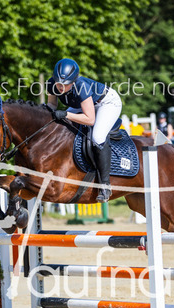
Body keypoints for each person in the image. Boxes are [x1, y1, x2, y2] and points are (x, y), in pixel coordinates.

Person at [46, 58, 122, 202]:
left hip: (106, 103)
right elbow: (51, 105)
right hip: (83, 104)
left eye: (65, 84)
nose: (61, 87)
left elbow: (90, 119)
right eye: (58, 83)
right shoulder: (51, 83)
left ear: (73, 81)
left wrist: (66, 114)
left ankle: (105, 185)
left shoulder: (82, 87)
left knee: (97, 137)